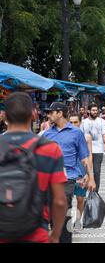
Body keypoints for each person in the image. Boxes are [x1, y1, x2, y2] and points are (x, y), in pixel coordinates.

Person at [0, 93, 67, 243]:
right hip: (36, 232)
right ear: (34, 114)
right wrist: (55, 235)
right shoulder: (50, 149)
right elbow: (59, 201)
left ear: (4, 116)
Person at [43, 102, 95, 243]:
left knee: (64, 209)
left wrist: (91, 178)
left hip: (68, 179)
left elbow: (84, 158)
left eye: (51, 112)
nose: (48, 115)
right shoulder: (47, 134)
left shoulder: (76, 132)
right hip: (49, 180)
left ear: (60, 113)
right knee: (53, 215)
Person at [68, 114, 93, 232]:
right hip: (68, 172)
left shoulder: (86, 137)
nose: (73, 124)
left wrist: (89, 174)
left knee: (80, 198)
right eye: (71, 122)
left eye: (75, 122)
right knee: (66, 199)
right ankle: (66, 222)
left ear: (80, 123)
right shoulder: (65, 136)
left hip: (81, 171)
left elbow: (89, 155)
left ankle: (78, 220)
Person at [80, 103, 105, 192]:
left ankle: (96, 191)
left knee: (97, 172)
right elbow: (80, 135)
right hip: (86, 150)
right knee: (87, 171)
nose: (95, 112)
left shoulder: (101, 121)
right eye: (93, 110)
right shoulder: (84, 122)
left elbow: (104, 133)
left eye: (96, 110)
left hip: (98, 149)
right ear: (88, 111)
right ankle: (87, 190)